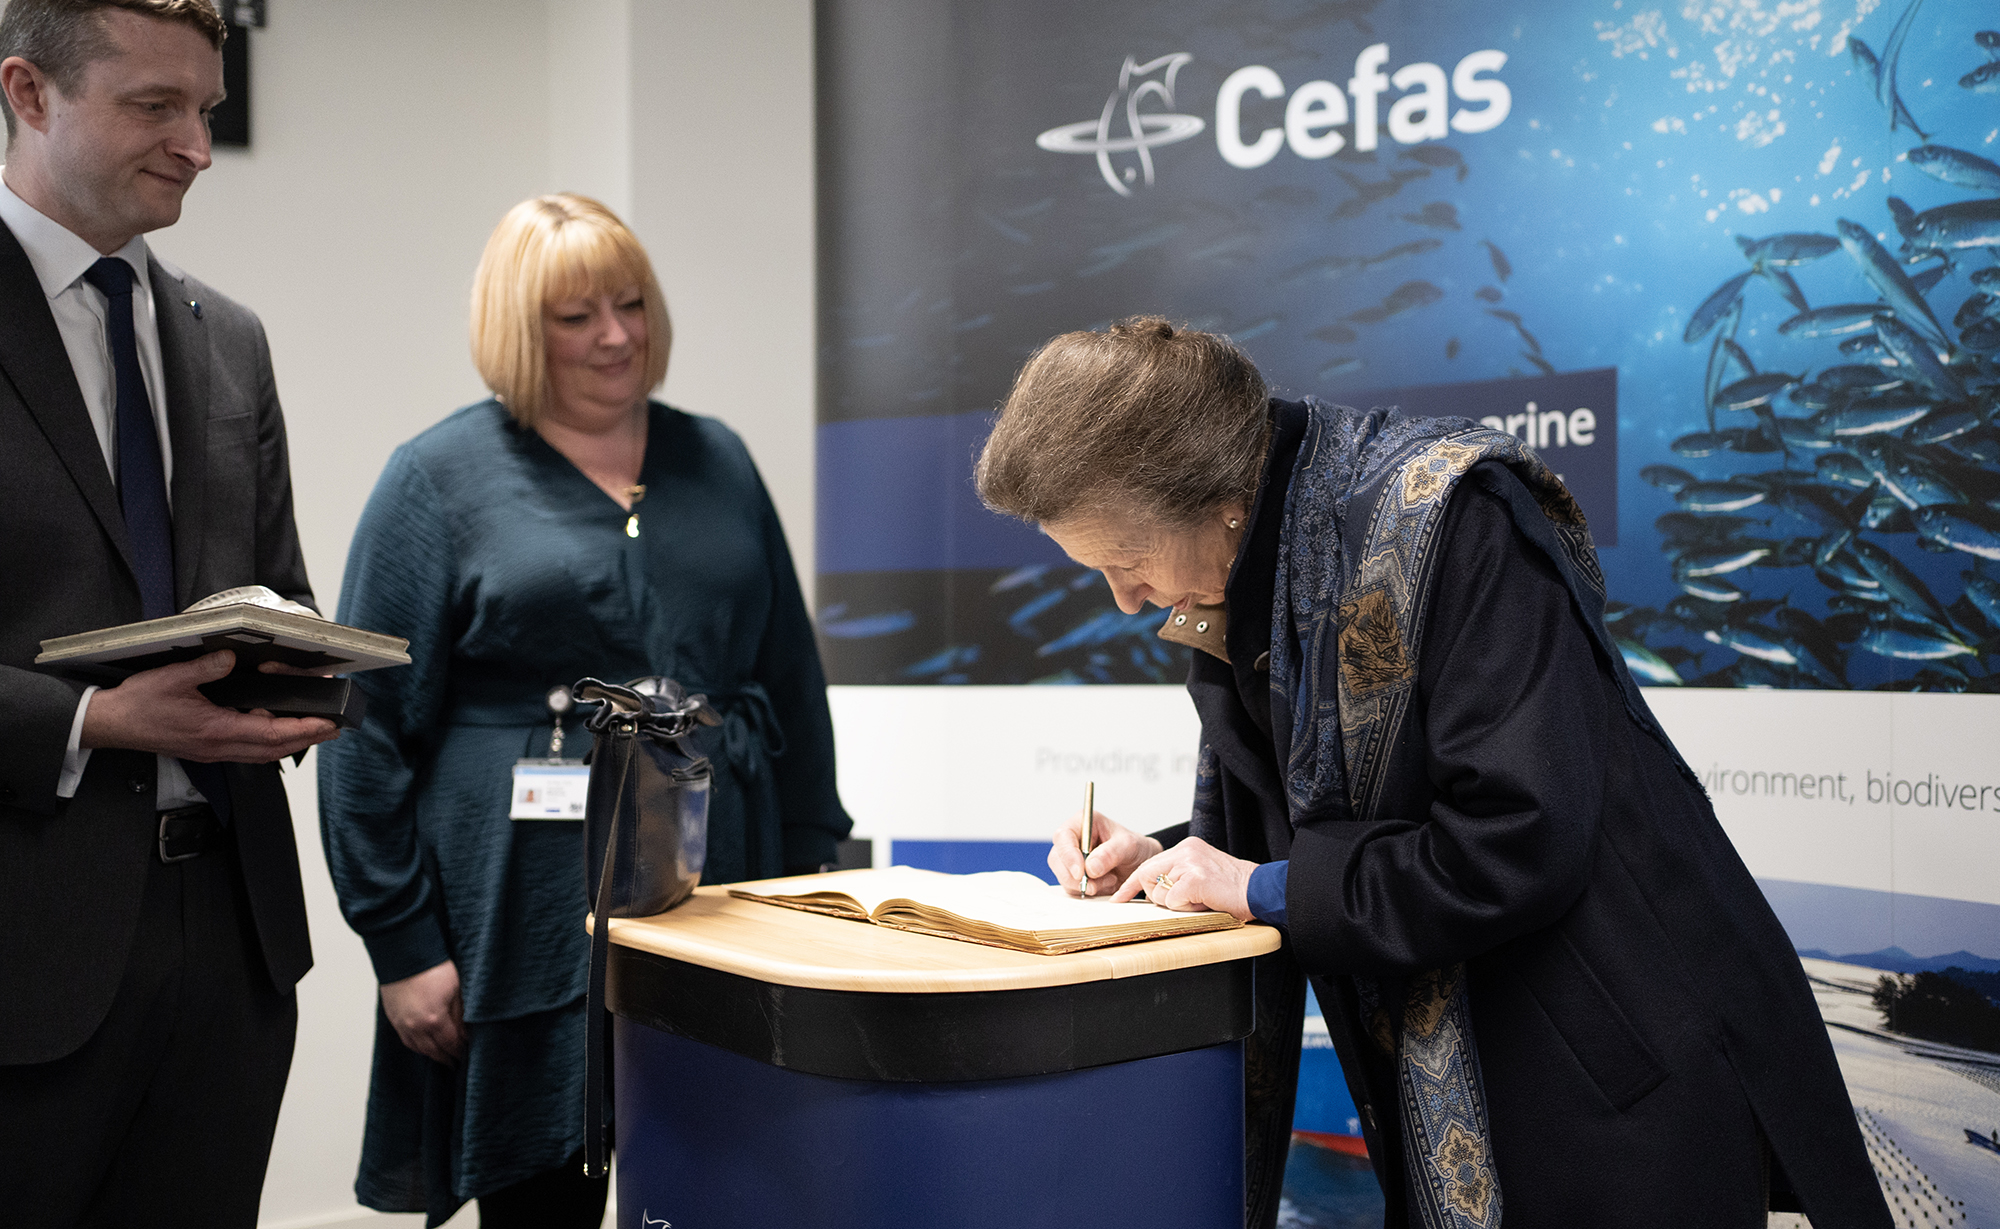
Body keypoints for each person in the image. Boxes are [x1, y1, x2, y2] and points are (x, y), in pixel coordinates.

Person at [976, 317, 1891, 1229]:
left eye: (1126, 562)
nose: (1125, 598)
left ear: (1211, 495)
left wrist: (1260, 885)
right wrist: (1169, 859)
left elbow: (1517, 835)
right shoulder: (1241, 567)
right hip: (1481, 1069)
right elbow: (1319, 819)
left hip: (1613, 1072)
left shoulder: (1454, 520)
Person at [318, 192, 850, 1226]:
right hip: (521, 903)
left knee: (728, 1162)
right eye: (576, 317)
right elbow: (364, 729)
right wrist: (403, 944)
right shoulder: (435, 479)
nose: (616, 336)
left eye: (631, 303)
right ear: (519, 332)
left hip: (723, 878)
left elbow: (790, 679)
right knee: (539, 1186)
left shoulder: (719, 458)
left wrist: (812, 866)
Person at [0, 0, 341, 1225]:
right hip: (26, 945)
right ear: (27, 92)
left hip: (231, 943)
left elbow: (274, 583)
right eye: (155, 107)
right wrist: (91, 720)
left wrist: (312, 672)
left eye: (206, 108)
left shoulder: (227, 339)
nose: (197, 144)